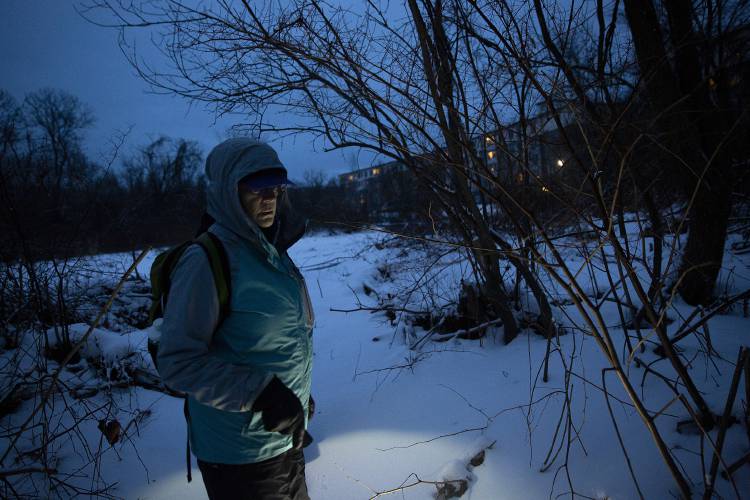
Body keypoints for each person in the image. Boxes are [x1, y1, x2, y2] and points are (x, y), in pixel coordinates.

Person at [157, 138, 314, 500]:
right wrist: (263, 394)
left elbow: (280, 339)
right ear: (229, 192)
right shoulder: (206, 261)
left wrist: (299, 395)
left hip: (283, 442)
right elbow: (177, 360)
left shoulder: (272, 254)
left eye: (276, 188)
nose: (270, 198)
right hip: (240, 459)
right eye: (257, 189)